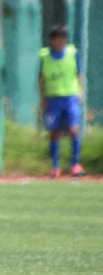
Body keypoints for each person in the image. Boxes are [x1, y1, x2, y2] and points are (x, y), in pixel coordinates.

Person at [38, 25, 85, 178]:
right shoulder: (44, 56)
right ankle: (55, 166)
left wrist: (80, 90)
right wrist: (43, 98)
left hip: (70, 97)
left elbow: (79, 73)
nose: (61, 41)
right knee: (54, 132)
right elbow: (41, 80)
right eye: (58, 38)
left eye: (63, 38)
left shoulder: (72, 53)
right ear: (52, 40)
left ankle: (74, 164)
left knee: (73, 130)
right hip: (52, 98)